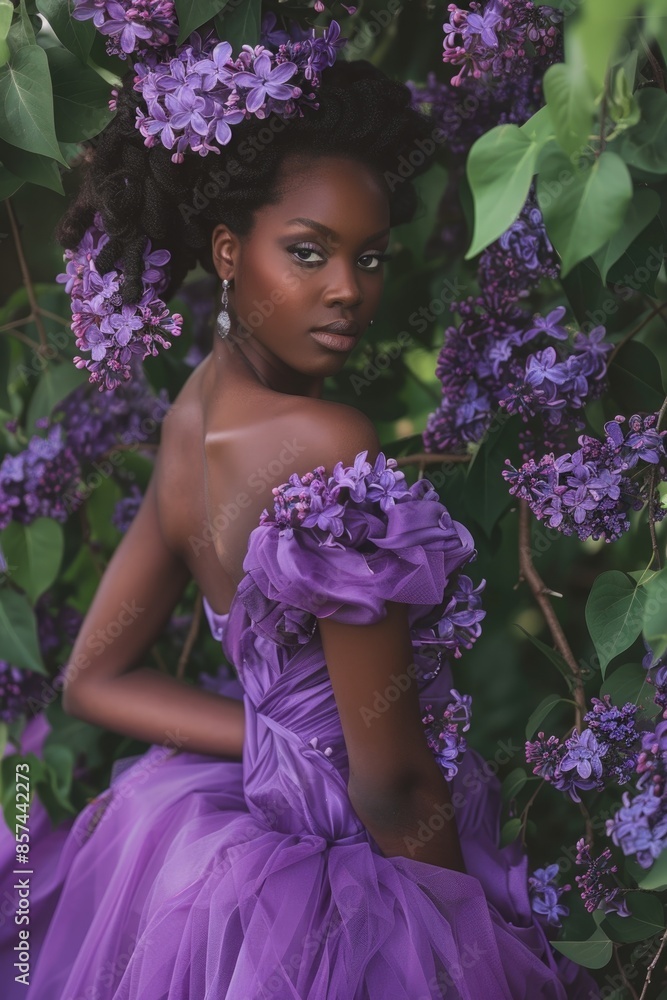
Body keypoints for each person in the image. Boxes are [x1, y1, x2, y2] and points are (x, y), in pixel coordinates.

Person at [18, 45, 597, 1000]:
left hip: (216, 852)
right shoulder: (326, 440)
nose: (347, 290)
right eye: (307, 250)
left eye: (368, 258)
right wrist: (469, 949)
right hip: (348, 885)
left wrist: (269, 745)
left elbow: (92, 677)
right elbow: (392, 785)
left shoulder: (187, 423)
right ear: (226, 251)